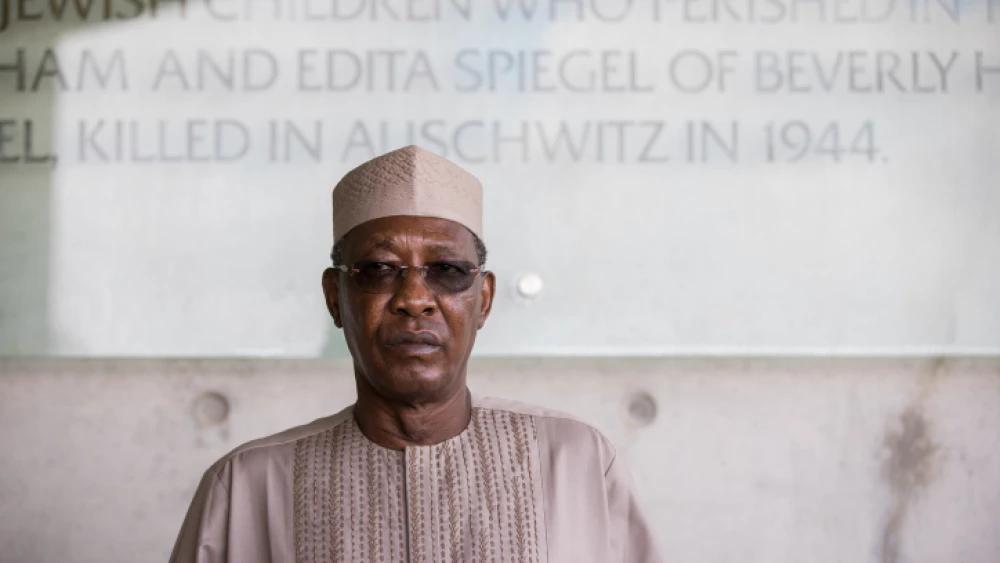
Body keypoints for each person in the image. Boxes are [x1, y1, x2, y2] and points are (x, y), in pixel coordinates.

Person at [169, 145, 663, 563]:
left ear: (484, 299)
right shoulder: (247, 486)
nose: (414, 298)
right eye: (380, 269)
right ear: (334, 297)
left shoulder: (576, 461)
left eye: (447, 270)